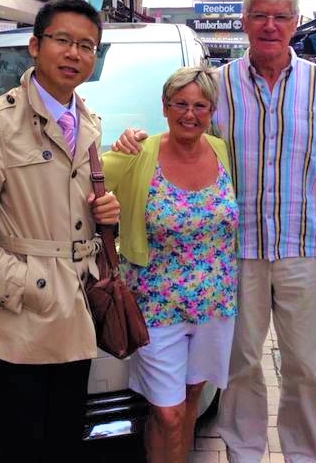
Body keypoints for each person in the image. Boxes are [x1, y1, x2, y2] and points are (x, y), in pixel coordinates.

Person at [114, 0, 316, 462]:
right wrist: (131, 139)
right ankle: (244, 453)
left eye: (281, 16)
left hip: (304, 246)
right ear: (244, 21)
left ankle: (303, 455)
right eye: (260, 15)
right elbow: (183, 131)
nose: (270, 25)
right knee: (241, 363)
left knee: (305, 366)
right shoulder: (219, 85)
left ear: (296, 23)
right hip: (235, 253)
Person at [0, 0, 121, 461]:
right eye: (63, 40)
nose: (74, 53)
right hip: (20, 317)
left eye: (86, 45)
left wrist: (105, 214)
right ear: (35, 46)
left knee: (63, 441)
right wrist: (23, 283)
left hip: (76, 311)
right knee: (18, 444)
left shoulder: (91, 123)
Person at [102, 67, 239, 463]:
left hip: (214, 304)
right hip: (155, 306)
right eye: (180, 103)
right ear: (165, 107)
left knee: (189, 405)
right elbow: (85, 183)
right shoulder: (138, 154)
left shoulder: (220, 149)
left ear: (212, 110)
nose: (189, 114)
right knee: (167, 410)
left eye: (200, 105)